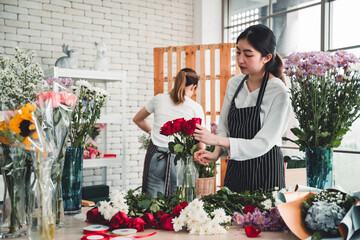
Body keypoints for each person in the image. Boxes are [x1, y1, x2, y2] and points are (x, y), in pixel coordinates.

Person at [193, 24, 291, 193]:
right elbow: (224, 126)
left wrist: (215, 140)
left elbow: (262, 143)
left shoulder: (279, 92)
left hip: (266, 171)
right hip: (236, 170)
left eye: (248, 54)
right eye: (238, 52)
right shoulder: (234, 83)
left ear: (266, 57)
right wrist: (216, 153)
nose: (240, 60)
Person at [133, 68, 205, 197]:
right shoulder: (196, 108)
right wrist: (201, 152)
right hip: (178, 159)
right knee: (176, 205)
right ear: (193, 87)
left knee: (151, 203)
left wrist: (153, 132)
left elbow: (137, 119)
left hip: (156, 155)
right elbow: (200, 141)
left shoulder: (158, 99)